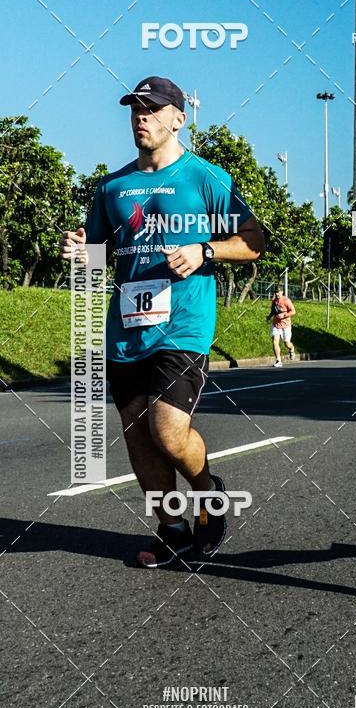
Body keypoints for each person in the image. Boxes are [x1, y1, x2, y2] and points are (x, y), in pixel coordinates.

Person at [60, 76, 264, 568]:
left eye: (151, 109)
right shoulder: (113, 186)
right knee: (137, 436)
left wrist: (205, 249)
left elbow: (254, 240)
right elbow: (98, 250)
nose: (141, 117)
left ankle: (207, 494)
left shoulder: (206, 178)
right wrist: (79, 252)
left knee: (167, 430)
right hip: (127, 328)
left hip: (183, 323)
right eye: (134, 109)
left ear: (179, 117)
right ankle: (171, 528)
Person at [267, 286, 296, 367]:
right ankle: (278, 360)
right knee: (275, 341)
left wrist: (284, 315)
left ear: (282, 292)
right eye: (275, 292)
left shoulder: (286, 301)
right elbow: (273, 311)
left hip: (286, 325)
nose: (277, 294)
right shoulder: (274, 301)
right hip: (276, 325)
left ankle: (291, 349)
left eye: (278, 292)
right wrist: (269, 317)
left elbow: (293, 311)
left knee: (287, 344)